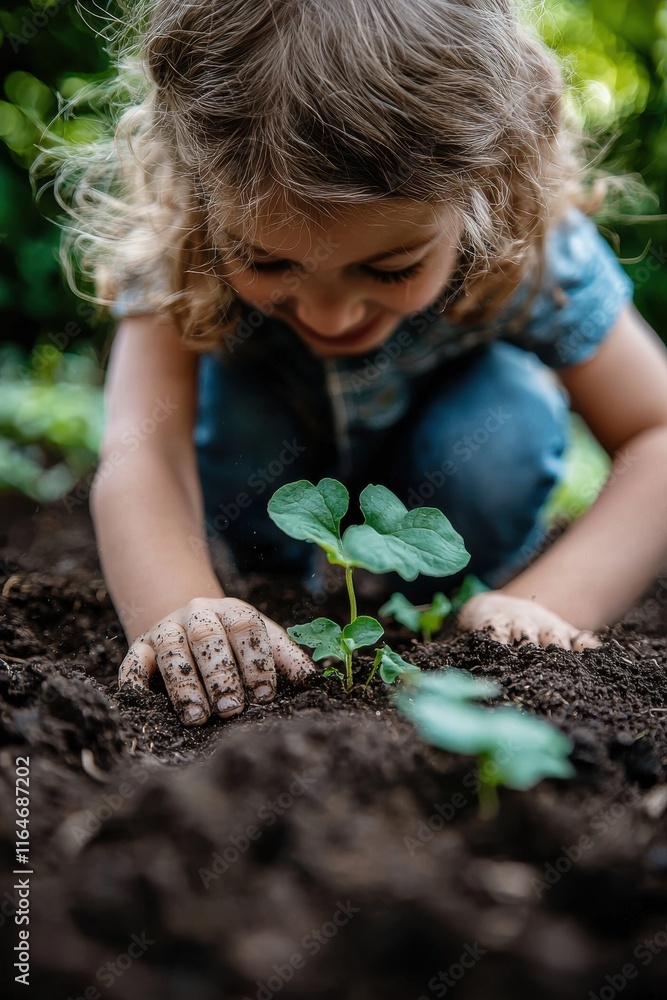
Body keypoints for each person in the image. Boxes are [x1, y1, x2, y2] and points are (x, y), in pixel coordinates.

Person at [49, 0, 667, 726]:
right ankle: (275, 584)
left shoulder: (536, 247)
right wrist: (182, 602)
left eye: (390, 267)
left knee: (501, 418)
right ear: (198, 186)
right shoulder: (183, 238)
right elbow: (139, 449)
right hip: (266, 512)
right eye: (265, 259)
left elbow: (655, 435)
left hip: (447, 527)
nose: (329, 315)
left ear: (486, 186)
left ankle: (455, 592)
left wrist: (550, 604)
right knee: (235, 406)